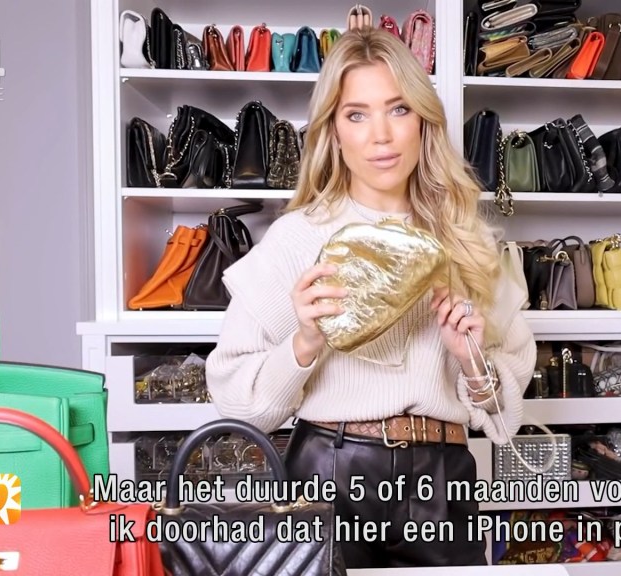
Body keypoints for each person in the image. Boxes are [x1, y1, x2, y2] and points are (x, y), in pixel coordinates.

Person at [205, 27, 537, 569]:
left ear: (423, 120)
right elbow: (236, 404)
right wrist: (304, 343)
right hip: (326, 475)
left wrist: (470, 359)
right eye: (356, 114)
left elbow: (504, 423)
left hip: (442, 480)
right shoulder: (297, 239)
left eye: (398, 109)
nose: (381, 135)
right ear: (333, 131)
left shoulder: (468, 241)